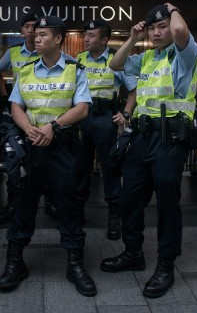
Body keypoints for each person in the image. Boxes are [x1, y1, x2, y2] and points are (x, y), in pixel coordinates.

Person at [100, 3, 197, 299]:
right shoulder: (145, 58)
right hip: (141, 139)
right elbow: (114, 65)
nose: (157, 32)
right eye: (152, 28)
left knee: (167, 203)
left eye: (162, 26)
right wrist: (131, 38)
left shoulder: (185, 53)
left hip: (169, 138)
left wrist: (174, 7)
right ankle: (133, 253)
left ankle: (165, 265)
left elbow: (181, 29)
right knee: (129, 198)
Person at [0, 16, 96, 297]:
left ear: (58, 39)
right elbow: (15, 105)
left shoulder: (75, 69)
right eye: (35, 34)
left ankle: (75, 264)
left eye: (42, 34)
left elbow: (82, 108)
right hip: (30, 148)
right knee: (23, 203)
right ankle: (15, 263)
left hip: (62, 148)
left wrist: (52, 127)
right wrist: (30, 129)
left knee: (68, 204)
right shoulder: (26, 69)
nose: (35, 38)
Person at [75, 19, 136, 240]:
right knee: (80, 167)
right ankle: (77, 213)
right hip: (82, 118)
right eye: (86, 34)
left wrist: (126, 114)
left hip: (105, 119)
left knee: (110, 168)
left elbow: (133, 91)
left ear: (104, 39)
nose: (86, 38)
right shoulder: (79, 59)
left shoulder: (116, 60)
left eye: (91, 35)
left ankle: (114, 216)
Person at [0, 11, 42, 223]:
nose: (31, 30)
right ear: (22, 31)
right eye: (27, 26)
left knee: (42, 161)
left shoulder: (47, 51)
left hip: (39, 111)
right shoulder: (14, 53)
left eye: (35, 26)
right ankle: (13, 204)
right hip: (16, 111)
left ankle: (49, 203)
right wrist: (5, 95)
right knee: (13, 159)